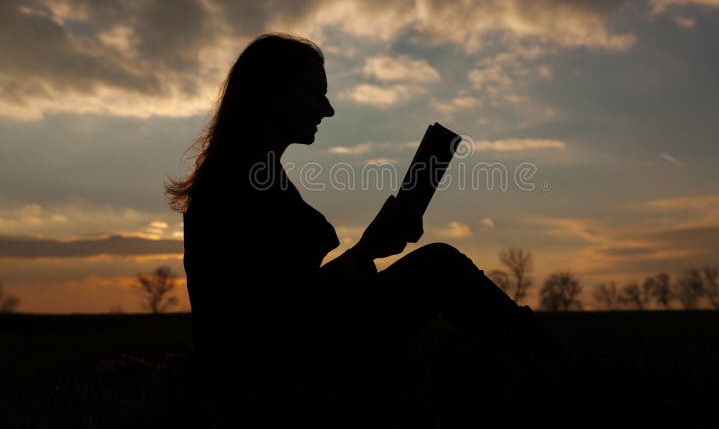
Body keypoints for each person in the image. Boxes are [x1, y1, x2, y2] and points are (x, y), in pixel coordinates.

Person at [166, 33, 571, 426]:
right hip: (267, 379)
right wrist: (364, 255)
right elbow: (268, 316)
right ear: (274, 93)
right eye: (315, 92)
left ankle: (545, 372)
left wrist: (367, 252)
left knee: (438, 271)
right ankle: (559, 374)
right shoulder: (236, 185)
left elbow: (289, 300)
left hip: (278, 363)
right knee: (439, 266)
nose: (328, 109)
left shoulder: (254, 175)